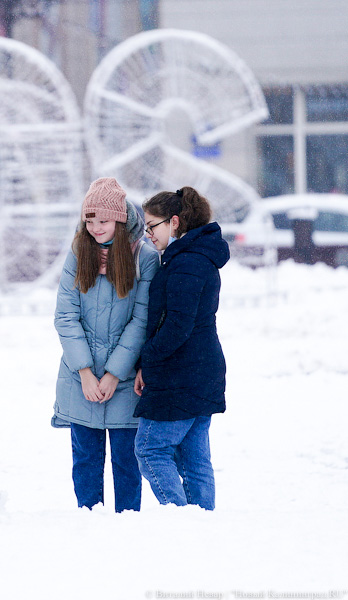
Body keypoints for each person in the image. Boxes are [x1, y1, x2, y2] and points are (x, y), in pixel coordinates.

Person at [53, 177, 160, 512]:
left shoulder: (144, 258)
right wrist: (85, 372)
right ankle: (89, 527)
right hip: (78, 378)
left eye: (102, 220)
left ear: (119, 219)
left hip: (125, 382)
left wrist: (114, 374)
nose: (95, 228)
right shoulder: (77, 253)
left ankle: (127, 531)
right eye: (89, 220)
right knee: (85, 461)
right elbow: (65, 317)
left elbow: (141, 322)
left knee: (127, 464)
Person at [133, 186, 230, 510]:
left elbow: (177, 325)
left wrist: (146, 358)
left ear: (174, 222)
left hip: (182, 374)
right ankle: (202, 525)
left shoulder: (186, 262)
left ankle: (179, 516)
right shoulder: (194, 256)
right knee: (193, 457)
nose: (148, 235)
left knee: (150, 451)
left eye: (152, 226)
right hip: (200, 369)